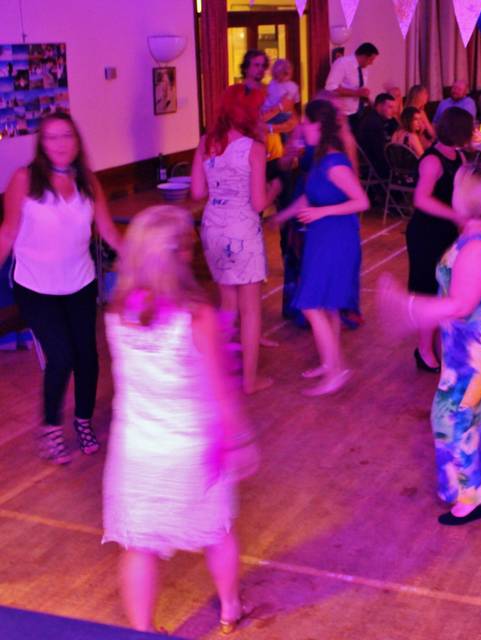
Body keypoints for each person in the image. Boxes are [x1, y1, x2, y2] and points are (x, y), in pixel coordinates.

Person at [101, 205, 258, 634]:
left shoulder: (118, 312)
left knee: (138, 546)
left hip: (136, 448)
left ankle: (142, 630)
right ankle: (229, 607)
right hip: (190, 446)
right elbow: (219, 390)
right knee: (217, 530)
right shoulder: (195, 316)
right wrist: (241, 439)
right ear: (179, 256)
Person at [377, 162, 481, 525]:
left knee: (453, 416)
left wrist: (405, 306)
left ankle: (471, 495)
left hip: (477, 347)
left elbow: (459, 305)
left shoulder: (476, 246)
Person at [0, 112, 123, 464]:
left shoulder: (89, 181)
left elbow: (110, 233)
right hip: (36, 288)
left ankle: (83, 420)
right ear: (42, 143)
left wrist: (146, 262)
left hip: (80, 283)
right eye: (51, 137)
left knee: (87, 355)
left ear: (77, 140)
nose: (60, 143)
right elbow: (7, 232)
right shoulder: (24, 179)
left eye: (66, 135)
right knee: (62, 355)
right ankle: (51, 427)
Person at [271, 99, 370, 396]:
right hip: (321, 237)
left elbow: (361, 202)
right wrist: (283, 216)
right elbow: (309, 197)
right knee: (325, 305)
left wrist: (321, 213)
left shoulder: (335, 163)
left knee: (312, 303)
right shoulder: (318, 157)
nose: (302, 127)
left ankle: (336, 372)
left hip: (336, 238)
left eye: (307, 122)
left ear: (320, 126)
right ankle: (331, 364)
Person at [190, 85, 281, 395]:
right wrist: (274, 191)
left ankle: (222, 370)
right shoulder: (254, 148)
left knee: (227, 301)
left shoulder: (206, 143)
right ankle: (250, 381)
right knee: (251, 308)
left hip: (212, 227)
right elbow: (258, 204)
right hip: (242, 230)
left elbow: (198, 193)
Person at [405, 107, 473, 373]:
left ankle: (435, 346)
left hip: (445, 232)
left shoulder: (458, 157)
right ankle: (424, 350)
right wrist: (455, 215)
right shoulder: (432, 161)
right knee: (428, 291)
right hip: (425, 233)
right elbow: (420, 199)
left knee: (443, 290)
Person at [324, 42, 379, 124]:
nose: (371, 63)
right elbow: (330, 89)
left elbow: (359, 89)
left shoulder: (363, 69)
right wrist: (356, 93)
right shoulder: (342, 63)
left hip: (359, 113)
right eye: (371, 59)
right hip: (344, 115)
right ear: (364, 57)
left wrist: (366, 97)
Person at [355, 92, 397, 179]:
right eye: (390, 107)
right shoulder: (374, 123)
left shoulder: (371, 117)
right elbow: (379, 151)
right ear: (380, 106)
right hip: (374, 166)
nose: (393, 111)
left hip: (367, 164)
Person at [263, 58, 299, 131]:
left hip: (270, 112)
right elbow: (294, 100)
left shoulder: (272, 83)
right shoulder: (292, 86)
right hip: (278, 114)